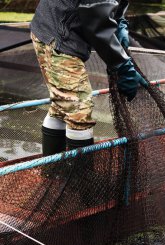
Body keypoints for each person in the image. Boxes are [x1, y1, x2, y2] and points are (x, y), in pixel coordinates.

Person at [31, 0, 146, 156]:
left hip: (68, 29)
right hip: (57, 34)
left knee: (63, 105)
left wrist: (120, 24)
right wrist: (123, 66)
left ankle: (55, 171)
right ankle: (80, 179)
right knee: (79, 111)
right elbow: (96, 19)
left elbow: (113, 5)